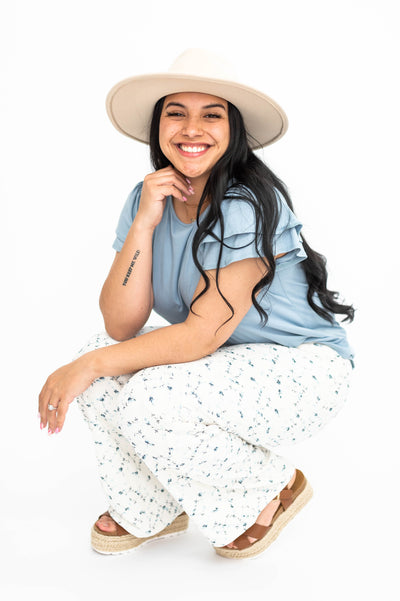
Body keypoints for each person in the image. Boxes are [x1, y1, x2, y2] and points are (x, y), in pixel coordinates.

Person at [38, 48, 355, 560]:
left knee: (140, 389)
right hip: (226, 365)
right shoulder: (148, 199)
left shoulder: (248, 204)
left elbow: (201, 334)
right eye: (176, 113)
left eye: (211, 115)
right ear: (157, 126)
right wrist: (144, 221)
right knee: (101, 363)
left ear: (233, 131)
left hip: (304, 373)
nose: (192, 129)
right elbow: (121, 324)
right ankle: (150, 505)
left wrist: (86, 365)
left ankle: (269, 486)